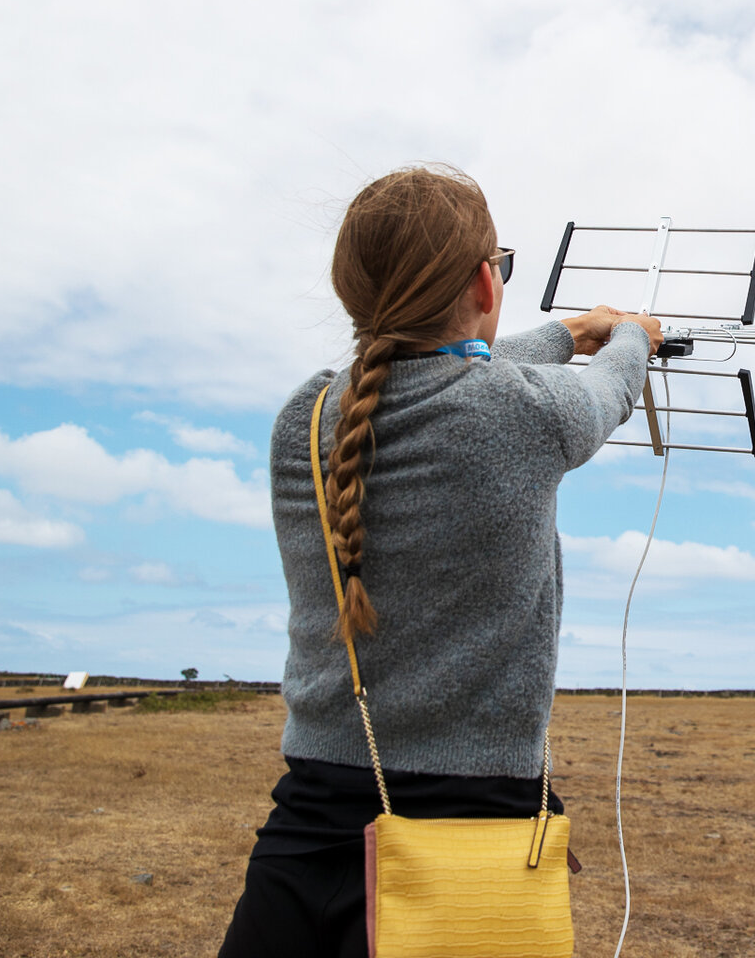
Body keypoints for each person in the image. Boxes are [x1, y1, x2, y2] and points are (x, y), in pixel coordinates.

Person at [219, 164, 660, 958]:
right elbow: (607, 392)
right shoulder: (524, 414)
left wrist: (566, 333)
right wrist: (632, 335)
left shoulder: (306, 414)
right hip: (470, 840)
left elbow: (436, 370)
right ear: (485, 285)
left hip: (305, 830)